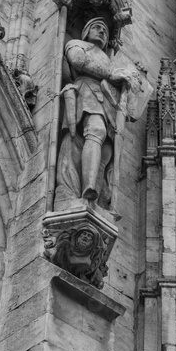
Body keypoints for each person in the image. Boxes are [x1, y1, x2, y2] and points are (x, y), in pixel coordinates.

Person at [55, 16, 137, 209]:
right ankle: (87, 188)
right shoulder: (77, 44)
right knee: (95, 131)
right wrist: (111, 74)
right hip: (86, 92)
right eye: (97, 27)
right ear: (86, 31)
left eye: (105, 31)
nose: (101, 31)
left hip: (108, 103)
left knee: (107, 153)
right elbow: (77, 60)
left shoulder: (109, 60)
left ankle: (97, 198)